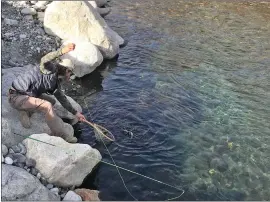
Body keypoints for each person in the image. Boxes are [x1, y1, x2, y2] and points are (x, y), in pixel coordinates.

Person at [8, 43, 86, 143]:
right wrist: (62, 51)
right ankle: (63, 135)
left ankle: (25, 109)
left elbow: (62, 99)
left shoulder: (56, 82)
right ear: (66, 69)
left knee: (52, 101)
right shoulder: (48, 69)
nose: (70, 75)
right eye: (70, 72)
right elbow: (45, 59)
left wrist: (76, 113)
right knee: (47, 105)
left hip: (29, 95)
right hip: (16, 96)